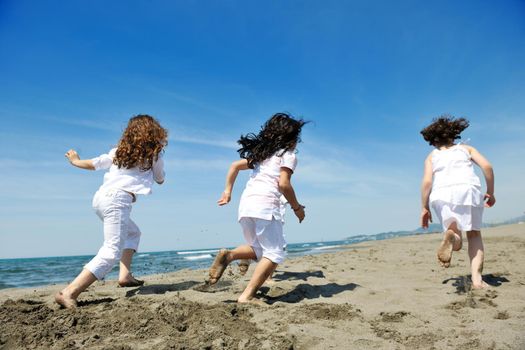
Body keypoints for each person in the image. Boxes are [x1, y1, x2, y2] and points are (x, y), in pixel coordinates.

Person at [55, 114, 167, 308]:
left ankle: (125, 276)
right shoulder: (153, 155)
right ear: (153, 134)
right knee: (111, 251)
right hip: (118, 200)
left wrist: (74, 161)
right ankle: (69, 292)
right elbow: (160, 179)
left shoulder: (118, 152)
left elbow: (94, 164)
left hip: (100, 199)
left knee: (133, 232)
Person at [208, 112, 306, 304]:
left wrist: (227, 191)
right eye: (296, 138)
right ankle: (247, 296)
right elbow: (284, 184)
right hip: (265, 205)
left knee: (260, 251)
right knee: (275, 252)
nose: (297, 142)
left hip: (246, 205)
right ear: (290, 139)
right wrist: (297, 208)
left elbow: (234, 166)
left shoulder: (263, 156)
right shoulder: (288, 155)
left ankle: (230, 255)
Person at [420, 115, 495, 289]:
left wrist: (424, 207)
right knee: (474, 235)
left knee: (454, 231)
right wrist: (490, 192)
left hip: (441, 194)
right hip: (468, 190)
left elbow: (427, 182)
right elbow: (487, 166)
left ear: (433, 141)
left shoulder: (432, 156)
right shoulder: (466, 149)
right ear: (454, 135)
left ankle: (452, 236)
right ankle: (477, 280)